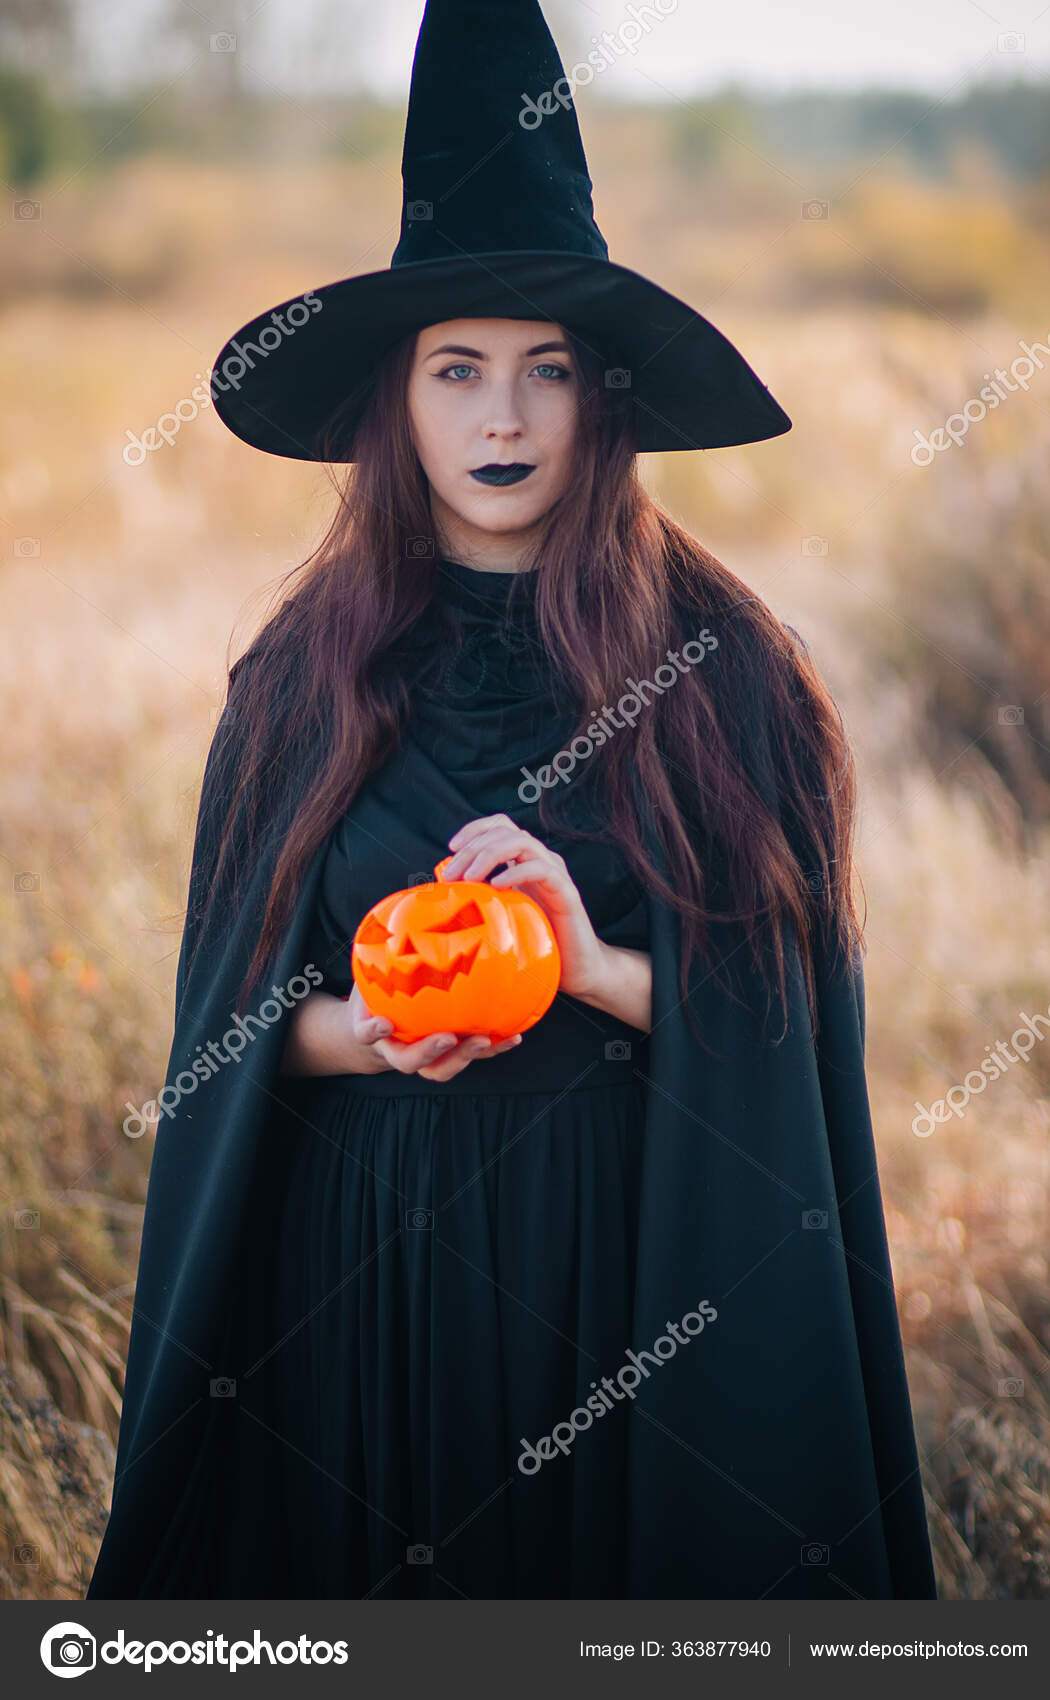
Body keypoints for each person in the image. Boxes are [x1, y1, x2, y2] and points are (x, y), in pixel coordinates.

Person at [87, 0, 937, 1601]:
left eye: (548, 372)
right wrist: (362, 1031)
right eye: (457, 369)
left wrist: (599, 971)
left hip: (630, 1275)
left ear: (603, 398)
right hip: (357, 1298)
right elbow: (225, 1034)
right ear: (391, 404)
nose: (502, 418)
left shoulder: (728, 673)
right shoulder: (297, 682)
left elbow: (791, 1035)